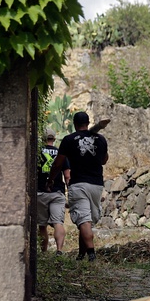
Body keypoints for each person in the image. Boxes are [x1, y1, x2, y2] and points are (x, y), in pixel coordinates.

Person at [48, 111, 108, 261]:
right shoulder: (101, 139)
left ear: (75, 124)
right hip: (96, 185)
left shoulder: (69, 140)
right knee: (86, 220)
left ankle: (91, 255)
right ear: (88, 123)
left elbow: (58, 163)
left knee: (84, 219)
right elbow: (104, 160)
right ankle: (81, 255)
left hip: (79, 183)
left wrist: (51, 179)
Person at [37, 129, 70, 254]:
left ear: (43, 138)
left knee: (42, 225)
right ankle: (59, 250)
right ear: (54, 139)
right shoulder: (61, 153)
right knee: (58, 222)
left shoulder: (37, 152)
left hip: (40, 192)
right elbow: (67, 175)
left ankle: (44, 252)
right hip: (57, 192)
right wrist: (69, 191)